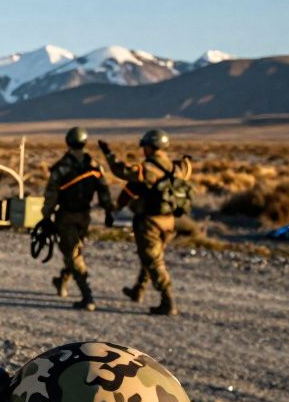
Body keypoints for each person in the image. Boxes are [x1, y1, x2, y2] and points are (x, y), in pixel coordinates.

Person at [98, 130, 189, 316]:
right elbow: (132, 189)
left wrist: (108, 153)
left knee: (153, 260)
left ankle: (168, 301)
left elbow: (120, 171)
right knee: (150, 255)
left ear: (151, 147)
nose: (143, 150)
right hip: (169, 221)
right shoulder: (176, 168)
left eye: (145, 146)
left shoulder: (148, 169)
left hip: (150, 222)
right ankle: (138, 289)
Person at [40, 126, 114, 311]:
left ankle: (87, 296)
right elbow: (104, 190)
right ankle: (61, 280)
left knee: (72, 253)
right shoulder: (95, 166)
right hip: (85, 217)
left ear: (68, 142)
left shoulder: (61, 167)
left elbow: (51, 194)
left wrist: (46, 216)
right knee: (73, 250)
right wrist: (108, 210)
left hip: (67, 216)